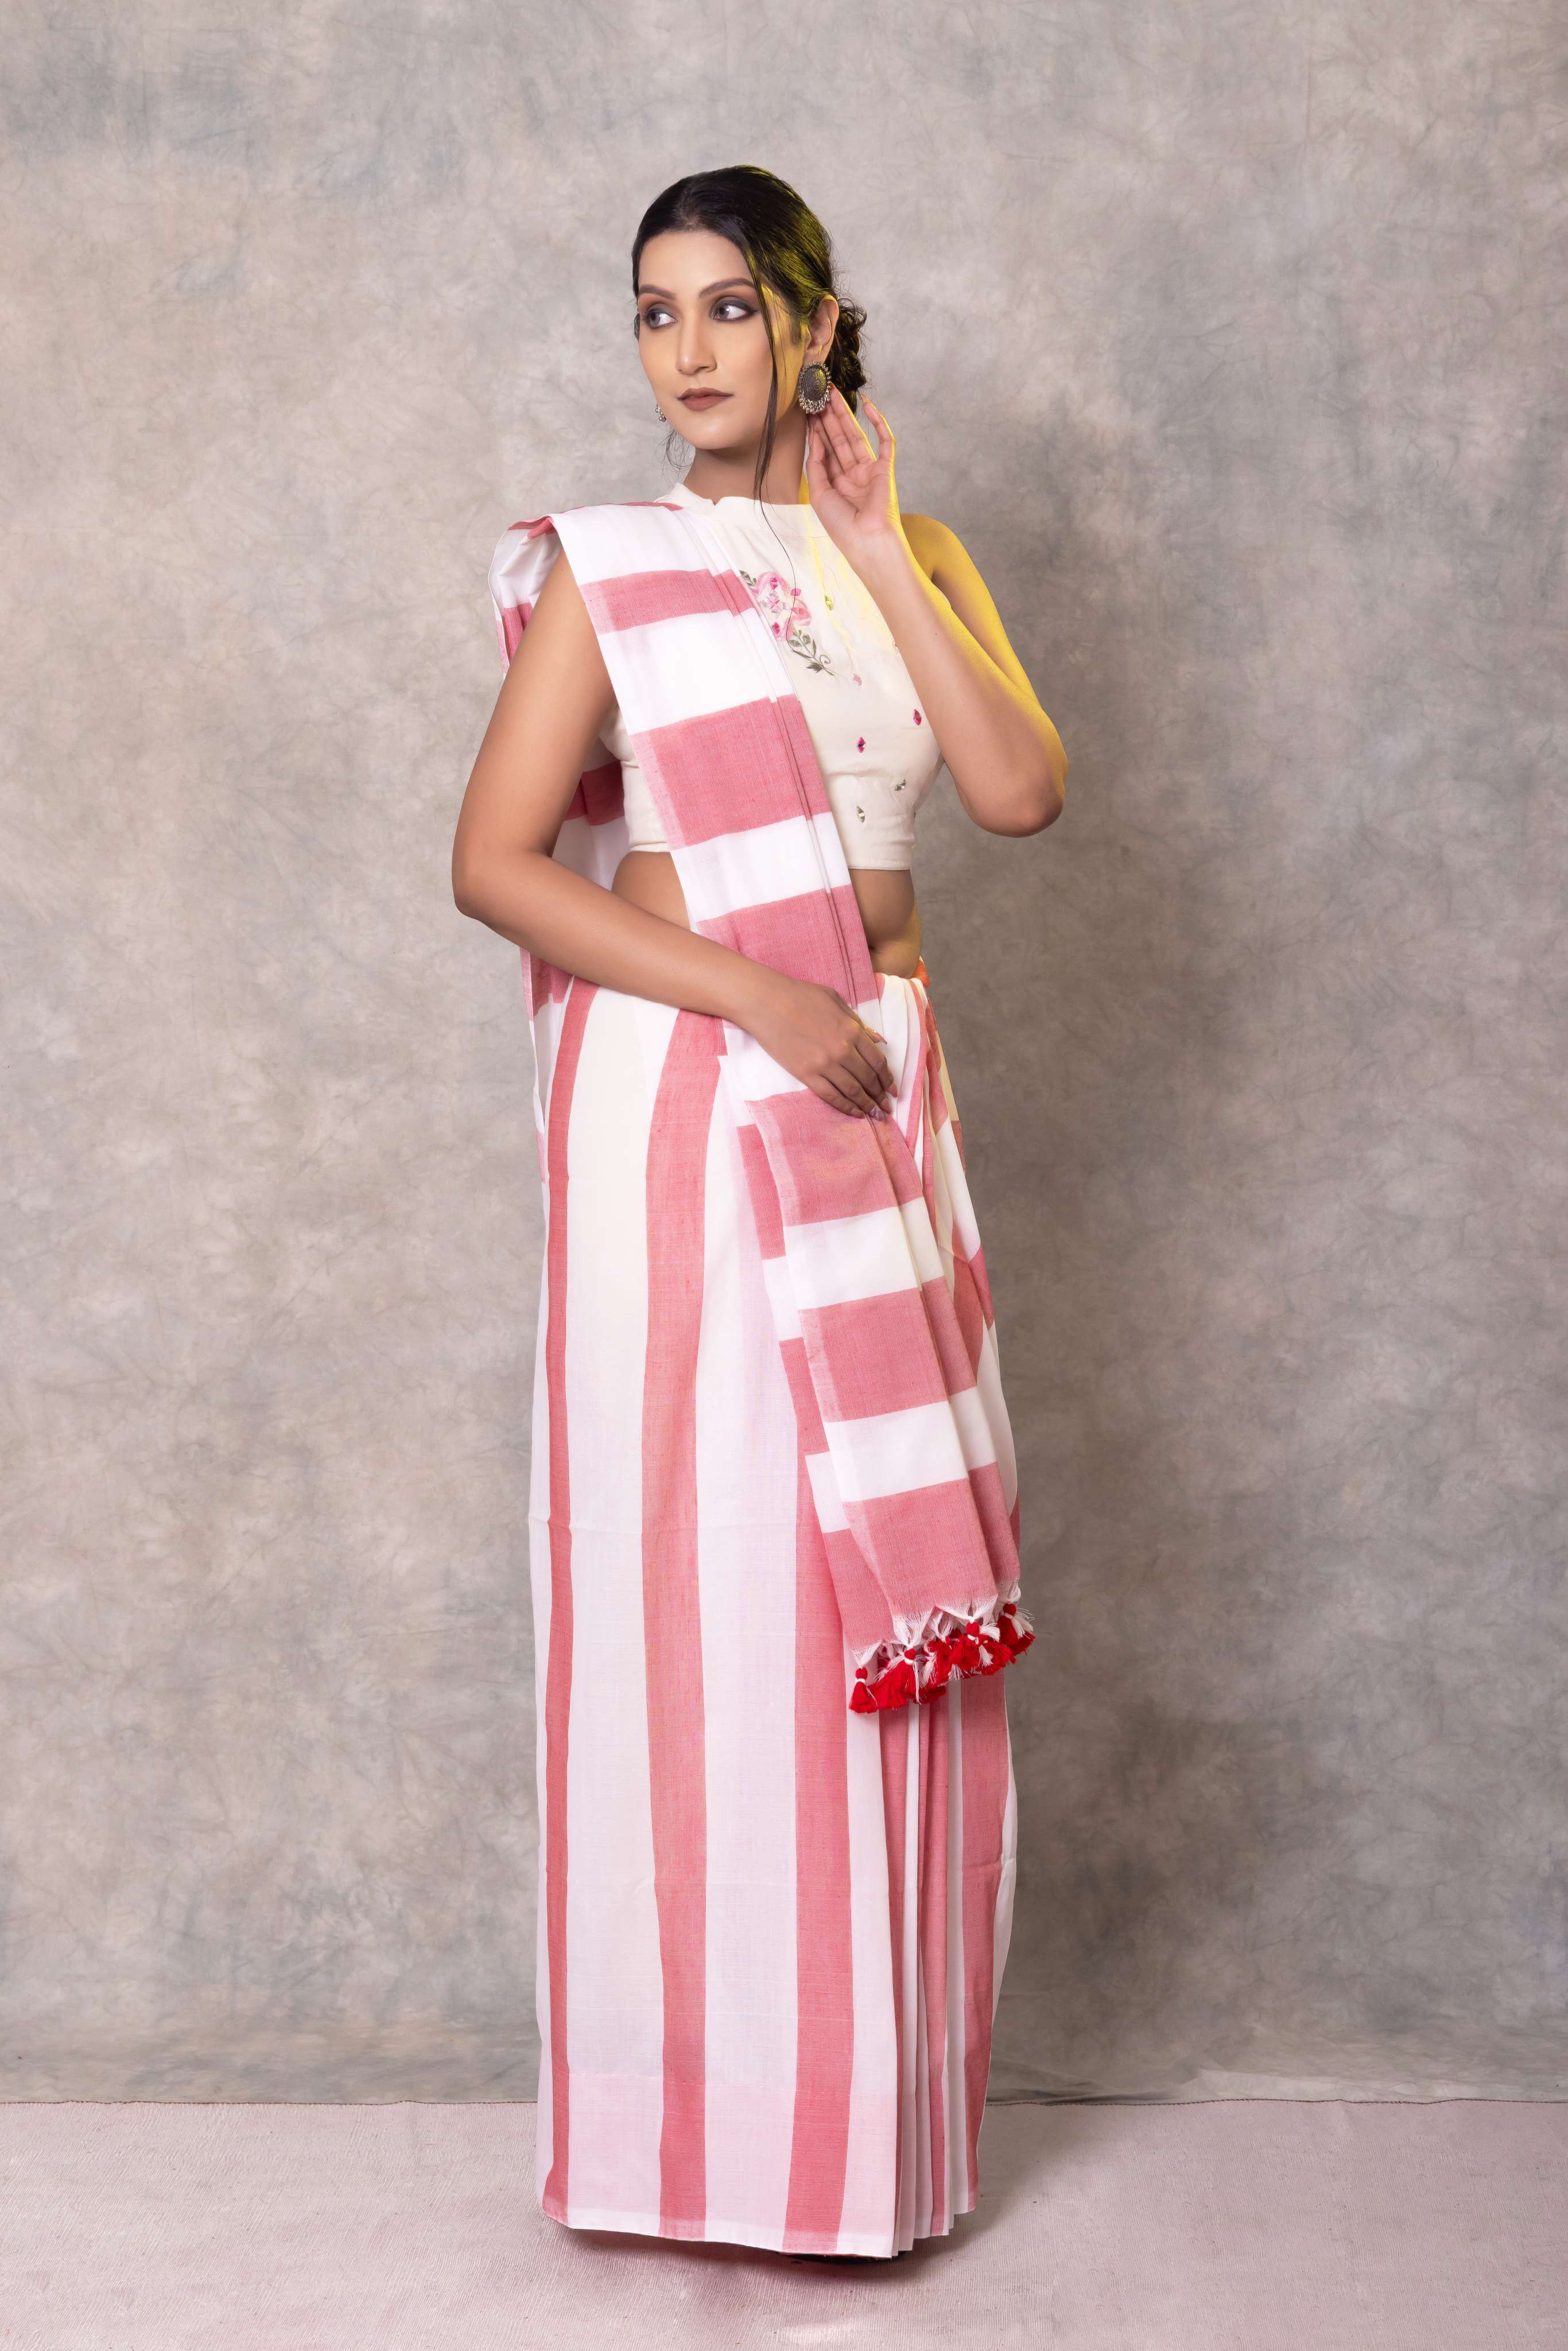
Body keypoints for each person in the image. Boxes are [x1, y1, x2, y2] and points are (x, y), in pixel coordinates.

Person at [452, 165, 1066, 2263]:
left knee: (851, 1586)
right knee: (704, 1582)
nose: (689, 349)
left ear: (813, 320)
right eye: (655, 312)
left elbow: (1016, 794)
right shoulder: (617, 569)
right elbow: (496, 861)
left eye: (728, 306)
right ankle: (693, 2139)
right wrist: (758, 999)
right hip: (697, 1085)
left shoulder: (914, 549)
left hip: (877, 1076)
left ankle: (857, 2128)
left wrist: (879, 548)